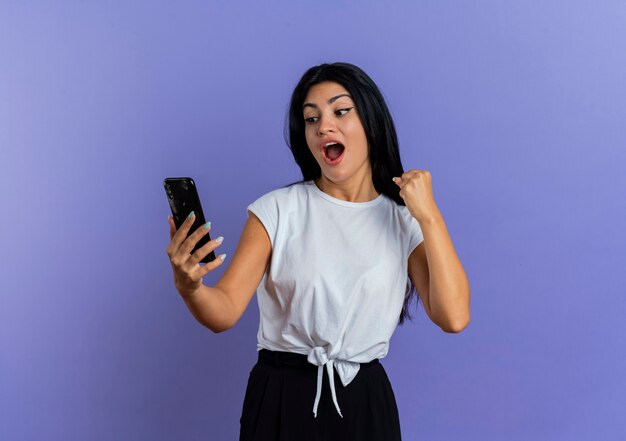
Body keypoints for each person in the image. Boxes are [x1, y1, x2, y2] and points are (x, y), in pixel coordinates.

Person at [165, 62, 471, 441]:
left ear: (371, 122)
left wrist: (430, 217)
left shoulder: (404, 220)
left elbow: (454, 317)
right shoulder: (276, 210)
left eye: (341, 111)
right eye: (311, 119)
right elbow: (224, 311)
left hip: (364, 401)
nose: (324, 126)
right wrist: (190, 287)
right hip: (280, 397)